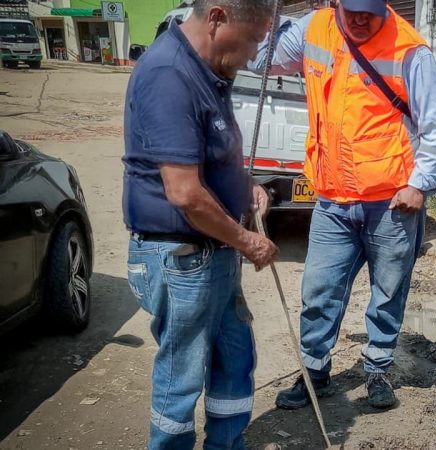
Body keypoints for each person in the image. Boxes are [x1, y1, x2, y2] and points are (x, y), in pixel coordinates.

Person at [249, 0, 436, 409]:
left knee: (388, 292)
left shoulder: (411, 51)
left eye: (369, 13)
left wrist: (420, 186)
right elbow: (259, 61)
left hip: (393, 204)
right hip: (333, 201)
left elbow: (434, 126)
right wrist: (263, 19)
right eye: (351, 10)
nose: (359, 20)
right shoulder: (314, 28)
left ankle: (377, 370)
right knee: (319, 292)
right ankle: (314, 373)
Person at [122, 0, 279, 448]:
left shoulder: (210, 71)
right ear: (216, 18)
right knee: (182, 378)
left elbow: (211, 155)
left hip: (212, 252)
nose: (253, 53)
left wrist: (243, 186)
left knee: (234, 359)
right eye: (251, 39)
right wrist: (248, 240)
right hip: (183, 258)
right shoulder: (170, 75)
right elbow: (185, 193)